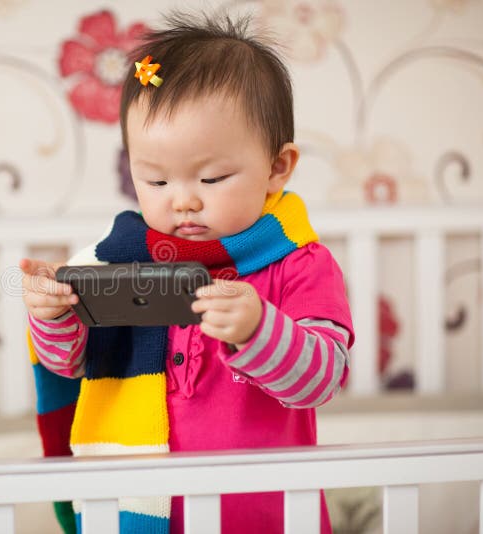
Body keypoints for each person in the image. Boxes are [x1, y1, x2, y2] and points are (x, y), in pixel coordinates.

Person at [20, 11, 353, 534]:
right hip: (140, 515)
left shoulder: (300, 264)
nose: (183, 201)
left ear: (277, 167)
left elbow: (321, 378)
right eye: (153, 180)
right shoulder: (118, 260)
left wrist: (260, 330)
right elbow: (69, 365)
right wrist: (53, 315)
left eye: (212, 176)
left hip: (265, 519)